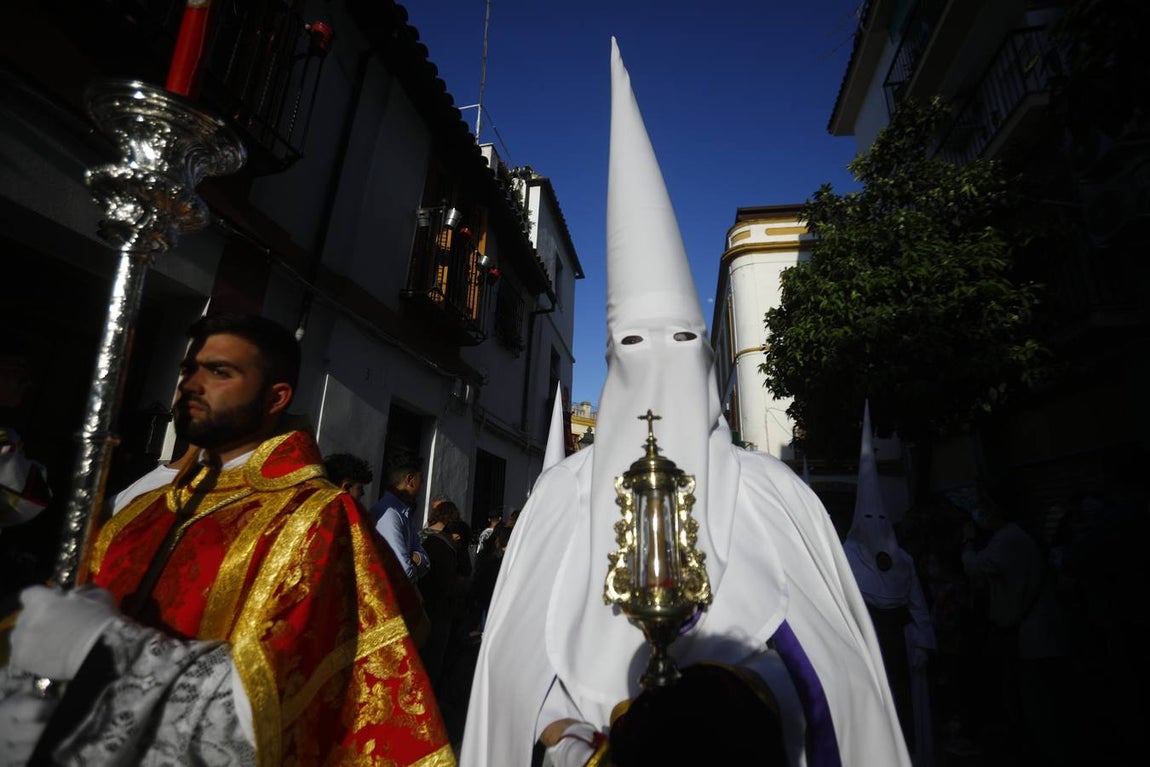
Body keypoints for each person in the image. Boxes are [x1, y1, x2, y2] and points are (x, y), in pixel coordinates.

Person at [461, 38, 908, 766]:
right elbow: (516, 678)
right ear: (610, 367)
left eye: (678, 338)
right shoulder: (560, 496)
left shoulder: (775, 494)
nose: (657, 367)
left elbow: (842, 684)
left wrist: (742, 705)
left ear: (704, 356)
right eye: (634, 344)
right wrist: (576, 740)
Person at [0, 313, 451, 765]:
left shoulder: (318, 516)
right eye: (187, 369)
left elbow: (279, 706)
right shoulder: (145, 506)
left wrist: (103, 646)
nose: (192, 384)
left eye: (219, 372)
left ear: (276, 397)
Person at [843, 401, 936, 765]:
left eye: (880, 517)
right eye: (869, 517)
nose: (874, 522)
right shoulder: (847, 556)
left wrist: (923, 644)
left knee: (906, 711)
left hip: (901, 644)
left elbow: (918, 605)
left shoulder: (904, 561)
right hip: (868, 645)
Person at [369, 456, 430, 581]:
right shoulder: (389, 514)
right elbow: (403, 571)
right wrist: (415, 561)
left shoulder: (403, 513)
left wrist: (417, 560)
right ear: (410, 480)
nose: (422, 486)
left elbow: (426, 562)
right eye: (421, 480)